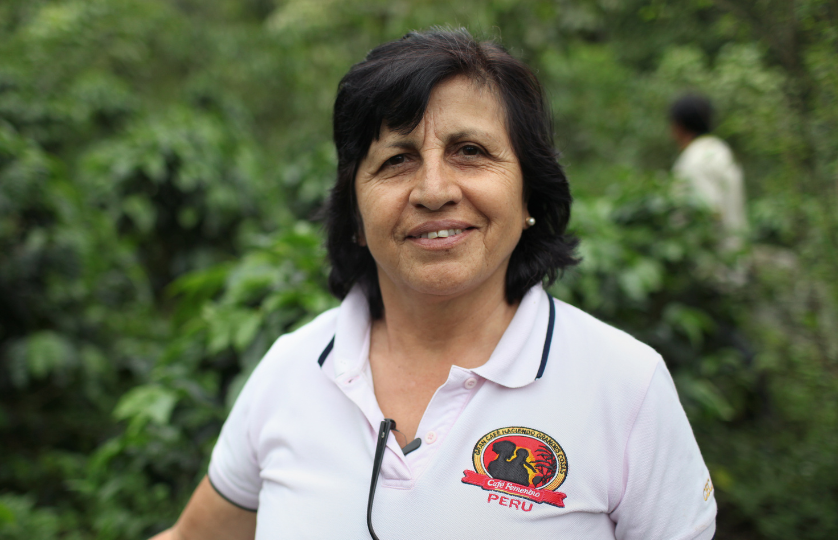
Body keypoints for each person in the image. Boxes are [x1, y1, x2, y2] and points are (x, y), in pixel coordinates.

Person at [151, 29, 717, 539]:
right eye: (396, 160)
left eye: (470, 152)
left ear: (530, 196)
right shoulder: (291, 370)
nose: (433, 190)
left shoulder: (624, 385)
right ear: (354, 210)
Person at [670, 94, 748, 245]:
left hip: (711, 263)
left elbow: (706, 212)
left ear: (678, 126)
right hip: (734, 256)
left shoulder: (694, 159)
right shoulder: (720, 150)